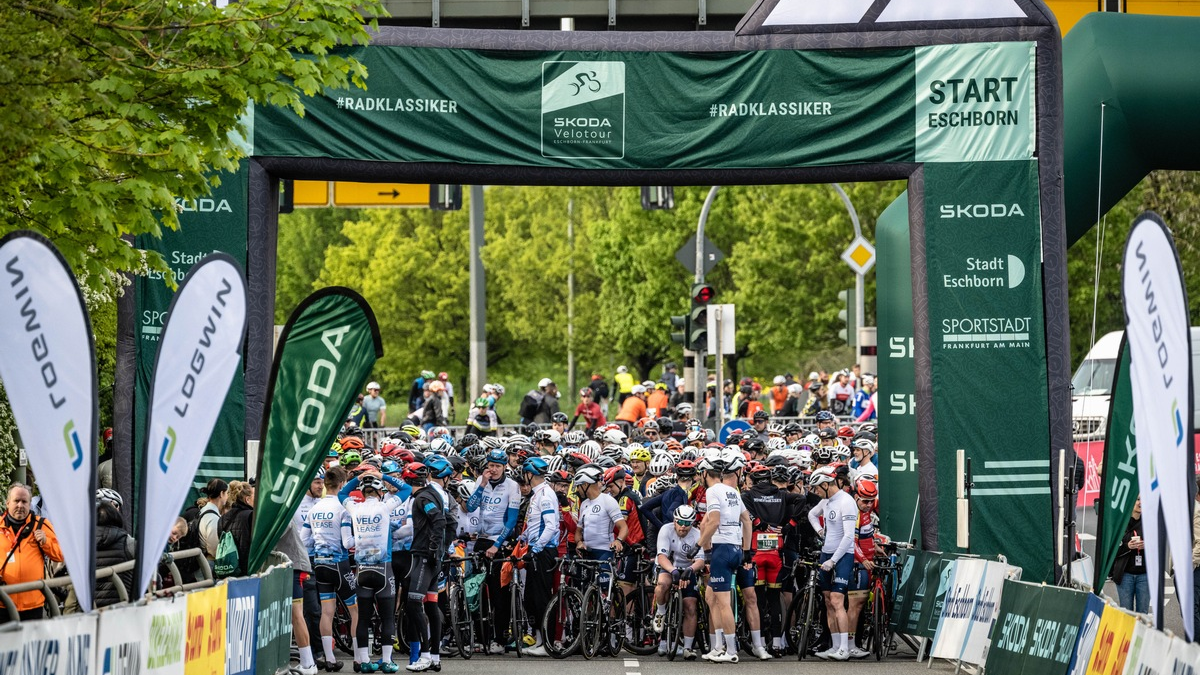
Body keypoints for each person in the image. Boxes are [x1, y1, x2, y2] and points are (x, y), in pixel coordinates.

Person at [340, 470, 412, 673]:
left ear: (362, 493)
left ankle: (363, 661)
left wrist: (358, 478)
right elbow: (406, 488)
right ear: (380, 492)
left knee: (363, 618)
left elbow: (341, 494)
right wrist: (383, 476)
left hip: (362, 570)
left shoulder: (354, 508)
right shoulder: (384, 507)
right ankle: (387, 661)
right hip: (383, 569)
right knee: (387, 617)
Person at [464, 449, 523, 654]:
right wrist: (481, 486)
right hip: (481, 541)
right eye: (491, 465)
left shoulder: (512, 486)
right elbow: (470, 508)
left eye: (498, 466)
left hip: (500, 542)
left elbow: (512, 520)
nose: (494, 470)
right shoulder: (482, 480)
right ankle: (482, 638)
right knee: (477, 591)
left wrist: (497, 545)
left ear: (505, 466)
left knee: (499, 594)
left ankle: (499, 638)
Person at [697, 451, 752, 663]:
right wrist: (746, 551)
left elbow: (714, 522)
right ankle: (718, 646)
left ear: (704, 474)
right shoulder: (733, 491)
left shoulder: (712, 492)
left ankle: (731, 651)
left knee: (723, 603)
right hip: (735, 548)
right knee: (711, 597)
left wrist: (698, 546)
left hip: (723, 548)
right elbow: (746, 521)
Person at [303, 466, 358, 671]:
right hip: (339, 563)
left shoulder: (313, 509)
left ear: (325, 484)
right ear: (342, 484)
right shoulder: (343, 507)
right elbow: (346, 541)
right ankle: (360, 658)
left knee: (327, 612)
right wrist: (360, 540)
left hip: (319, 564)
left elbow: (303, 540)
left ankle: (329, 659)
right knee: (356, 610)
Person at [404, 458, 455, 672]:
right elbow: (450, 522)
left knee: (414, 604)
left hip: (424, 556)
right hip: (434, 558)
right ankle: (434, 656)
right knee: (432, 606)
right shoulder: (435, 494)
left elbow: (440, 521)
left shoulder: (423, 497)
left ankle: (425, 655)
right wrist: (443, 548)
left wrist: (434, 549)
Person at [807, 466, 856, 661]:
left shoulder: (847, 501)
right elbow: (811, 515)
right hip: (826, 553)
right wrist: (820, 531)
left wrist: (834, 560)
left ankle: (844, 648)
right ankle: (835, 646)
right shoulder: (827, 501)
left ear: (826, 484)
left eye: (817, 488)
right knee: (828, 601)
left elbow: (849, 536)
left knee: (837, 600)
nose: (816, 492)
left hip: (842, 555)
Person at [0, 483, 63, 622]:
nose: (20, 505)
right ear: (7, 502)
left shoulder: (41, 524)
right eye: (16, 501)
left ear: (30, 504)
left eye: (24, 502)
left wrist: (46, 542)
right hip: (2, 602)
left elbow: (59, 555)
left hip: (33, 604)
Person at [651, 504, 705, 659]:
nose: (683, 526)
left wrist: (690, 571)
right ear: (674, 521)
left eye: (687, 523)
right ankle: (661, 613)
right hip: (668, 565)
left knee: (690, 605)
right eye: (680, 522)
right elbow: (662, 556)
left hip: (689, 568)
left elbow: (700, 560)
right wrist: (673, 571)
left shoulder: (697, 534)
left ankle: (688, 647)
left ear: (692, 523)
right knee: (663, 585)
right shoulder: (666, 530)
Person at [518, 457, 560, 657]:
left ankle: (548, 643)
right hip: (535, 548)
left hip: (543, 551)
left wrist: (535, 549)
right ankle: (540, 639)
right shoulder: (538, 494)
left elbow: (550, 526)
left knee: (542, 598)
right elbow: (534, 524)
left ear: (530, 474)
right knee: (531, 599)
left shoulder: (544, 495)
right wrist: (521, 539)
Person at [1112, 497, 1148, 614]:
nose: (1141, 502)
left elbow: (1159, 545)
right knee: (1126, 613)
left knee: (1143, 614)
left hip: (1144, 574)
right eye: (1137, 499)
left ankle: (1140, 633)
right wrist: (1128, 546)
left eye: (1143, 499)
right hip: (1125, 574)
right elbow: (1112, 549)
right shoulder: (1120, 522)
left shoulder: (1150, 522)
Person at [216, 480, 255, 577]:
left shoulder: (222, 518)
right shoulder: (251, 516)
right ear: (247, 499)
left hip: (229, 568)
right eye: (255, 496)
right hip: (247, 569)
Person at [198, 478, 228, 564]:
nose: (227, 496)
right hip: (208, 563)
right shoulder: (213, 517)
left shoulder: (203, 510)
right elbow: (214, 549)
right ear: (221, 494)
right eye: (226, 493)